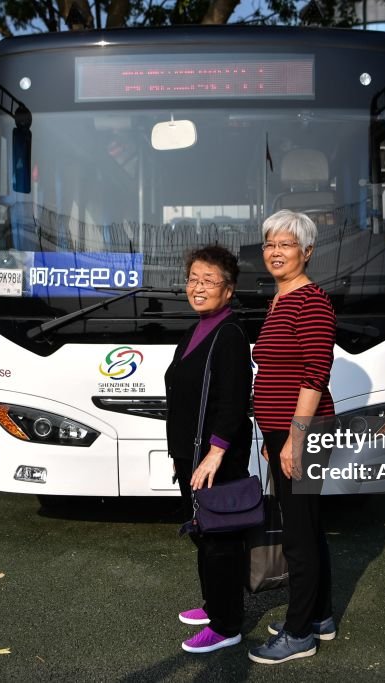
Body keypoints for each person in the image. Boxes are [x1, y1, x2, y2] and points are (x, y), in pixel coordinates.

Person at [248, 209, 338, 665]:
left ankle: (300, 633)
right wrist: (273, 434)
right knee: (307, 526)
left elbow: (315, 373)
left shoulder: (312, 302)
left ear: (307, 251)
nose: (276, 252)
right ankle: (319, 615)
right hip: (283, 431)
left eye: (286, 245)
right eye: (270, 244)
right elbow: (277, 372)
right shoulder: (279, 300)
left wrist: (295, 439)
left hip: (305, 432)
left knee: (299, 537)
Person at [164, 245, 253, 654]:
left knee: (220, 539)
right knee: (204, 532)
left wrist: (216, 453)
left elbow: (234, 401)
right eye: (193, 279)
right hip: (192, 453)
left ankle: (226, 624)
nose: (198, 288)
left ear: (229, 290)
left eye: (209, 281)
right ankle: (214, 603)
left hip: (215, 457)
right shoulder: (199, 326)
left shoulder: (229, 333)